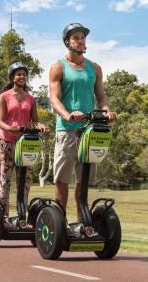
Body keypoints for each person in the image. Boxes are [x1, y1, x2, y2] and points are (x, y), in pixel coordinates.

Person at [49, 23, 117, 220]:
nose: (81, 41)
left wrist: (106, 111)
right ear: (67, 42)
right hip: (67, 129)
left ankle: (82, 221)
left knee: (83, 178)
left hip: (89, 130)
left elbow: (101, 96)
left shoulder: (94, 68)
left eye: (83, 37)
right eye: (76, 38)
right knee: (62, 178)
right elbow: (54, 99)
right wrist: (67, 114)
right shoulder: (58, 67)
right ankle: (59, 222)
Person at [0, 62, 47, 226]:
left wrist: (41, 127)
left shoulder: (31, 99)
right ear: (12, 77)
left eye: (24, 74)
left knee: (24, 181)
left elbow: (35, 122)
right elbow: (0, 121)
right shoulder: (4, 96)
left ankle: (21, 216)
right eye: (18, 74)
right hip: (7, 142)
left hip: (25, 145)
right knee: (4, 180)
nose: (21, 77)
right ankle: (2, 217)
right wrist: (10, 128)